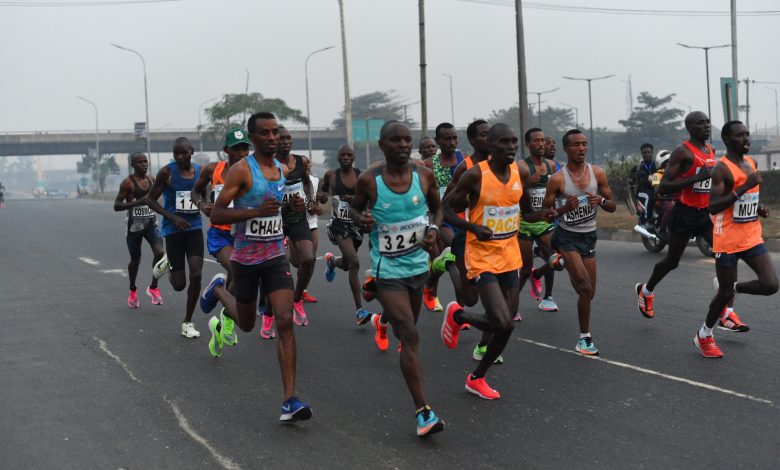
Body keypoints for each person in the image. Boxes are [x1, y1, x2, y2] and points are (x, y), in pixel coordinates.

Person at [202, 111, 312, 421]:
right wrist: (253, 212)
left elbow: (276, 214)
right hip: (246, 260)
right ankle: (220, 290)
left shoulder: (279, 168)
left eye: (275, 132)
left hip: (275, 257)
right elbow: (218, 216)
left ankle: (290, 400)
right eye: (265, 133)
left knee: (285, 320)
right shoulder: (241, 171)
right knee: (247, 324)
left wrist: (291, 209)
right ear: (254, 138)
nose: (273, 137)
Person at [441, 123, 553, 399]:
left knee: (505, 326)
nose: (512, 146)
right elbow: (444, 209)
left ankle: (476, 377)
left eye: (514, 141)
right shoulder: (475, 175)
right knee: (503, 322)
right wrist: (472, 228)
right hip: (482, 257)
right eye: (505, 142)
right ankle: (459, 315)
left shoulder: (520, 172)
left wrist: (550, 212)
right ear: (490, 145)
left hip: (509, 255)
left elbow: (526, 212)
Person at [349, 120, 445, 437]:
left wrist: (432, 229)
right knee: (411, 334)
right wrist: (361, 219)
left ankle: (382, 321)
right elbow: (354, 210)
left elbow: (437, 210)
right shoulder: (369, 181)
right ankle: (423, 412)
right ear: (382, 145)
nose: (403, 145)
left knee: (406, 333)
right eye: (395, 141)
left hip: (419, 267)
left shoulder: (424, 176)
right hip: (387, 270)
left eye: (407, 140)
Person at [635, 112, 744, 331]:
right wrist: (697, 178)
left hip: (705, 215)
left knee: (727, 256)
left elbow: (711, 181)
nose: (706, 125)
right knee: (672, 261)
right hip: (684, 214)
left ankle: (727, 312)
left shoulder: (710, 150)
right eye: (700, 123)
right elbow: (663, 186)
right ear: (690, 128)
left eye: (707, 122)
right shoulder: (683, 152)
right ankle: (646, 290)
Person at [696, 121, 778, 357]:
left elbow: (747, 200)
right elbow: (712, 207)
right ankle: (704, 335)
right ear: (727, 140)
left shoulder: (750, 163)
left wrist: (758, 208)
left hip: (751, 235)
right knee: (723, 295)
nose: (746, 139)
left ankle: (733, 288)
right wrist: (743, 189)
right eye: (740, 135)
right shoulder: (722, 169)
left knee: (771, 284)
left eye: (747, 134)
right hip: (727, 239)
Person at [542, 129, 616, 355]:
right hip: (566, 236)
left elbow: (612, 205)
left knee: (589, 292)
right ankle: (584, 339)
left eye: (584, 144)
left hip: (589, 235)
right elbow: (545, 213)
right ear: (566, 149)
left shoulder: (598, 173)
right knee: (584, 287)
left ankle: (557, 262)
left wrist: (601, 200)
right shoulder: (557, 179)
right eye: (576, 145)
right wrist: (564, 208)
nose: (581, 148)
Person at [190, 128, 252, 346]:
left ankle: (225, 316)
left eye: (245, 148)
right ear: (226, 150)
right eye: (237, 149)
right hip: (220, 233)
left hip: (245, 234)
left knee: (242, 277)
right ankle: (217, 290)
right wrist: (203, 204)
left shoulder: (254, 172)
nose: (242, 153)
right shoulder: (212, 170)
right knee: (237, 270)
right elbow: (195, 192)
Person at [145, 138, 204, 338]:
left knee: (196, 274)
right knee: (179, 285)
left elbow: (203, 195)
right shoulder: (167, 172)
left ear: (192, 152)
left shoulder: (200, 171)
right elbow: (150, 200)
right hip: (173, 230)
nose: (180, 157)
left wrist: (206, 205)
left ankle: (187, 321)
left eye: (184, 153)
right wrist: (172, 216)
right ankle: (167, 263)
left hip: (194, 227)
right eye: (176, 153)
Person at [319, 144, 373, 324]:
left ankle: (332, 262)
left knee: (347, 263)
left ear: (354, 157)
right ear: (338, 157)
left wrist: (357, 200)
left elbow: (370, 197)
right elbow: (322, 191)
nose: (346, 158)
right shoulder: (331, 176)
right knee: (355, 263)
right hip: (338, 224)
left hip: (356, 225)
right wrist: (323, 198)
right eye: (342, 155)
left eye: (349, 155)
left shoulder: (362, 175)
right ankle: (360, 310)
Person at [275, 127, 318, 326]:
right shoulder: (269, 165)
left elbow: (307, 183)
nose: (285, 142)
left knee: (308, 259)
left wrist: (310, 200)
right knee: (273, 267)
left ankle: (297, 298)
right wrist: (286, 204)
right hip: (275, 221)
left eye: (288, 138)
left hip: (298, 218)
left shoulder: (300, 161)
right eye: (281, 139)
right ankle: (267, 308)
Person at [113, 153, 165, 308]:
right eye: (140, 162)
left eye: (145, 162)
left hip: (151, 224)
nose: (144, 164)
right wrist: (136, 203)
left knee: (160, 253)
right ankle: (132, 291)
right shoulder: (127, 183)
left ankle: (153, 287)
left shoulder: (152, 180)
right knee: (135, 260)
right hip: (134, 227)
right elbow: (116, 205)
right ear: (133, 165)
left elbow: (156, 197)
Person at [421, 122, 463, 312]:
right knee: (453, 255)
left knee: (440, 260)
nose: (452, 142)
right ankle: (459, 309)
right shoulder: (429, 165)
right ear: (438, 141)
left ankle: (429, 286)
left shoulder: (465, 161)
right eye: (447, 138)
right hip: (440, 218)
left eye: (454, 137)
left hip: (463, 217)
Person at [516, 128, 559, 313]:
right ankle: (511, 305)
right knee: (525, 269)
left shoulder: (551, 165)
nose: (541, 144)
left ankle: (548, 298)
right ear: (527, 144)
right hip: (525, 221)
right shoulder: (521, 167)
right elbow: (512, 193)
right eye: (536, 141)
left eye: (543, 140)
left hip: (544, 220)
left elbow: (557, 190)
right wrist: (527, 184)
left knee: (554, 260)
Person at [629, 143, 657, 226]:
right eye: (644, 153)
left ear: (652, 153)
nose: (646, 154)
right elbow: (630, 182)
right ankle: (644, 221)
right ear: (642, 154)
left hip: (657, 191)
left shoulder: (657, 166)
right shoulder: (637, 168)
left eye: (648, 152)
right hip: (642, 192)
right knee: (648, 196)